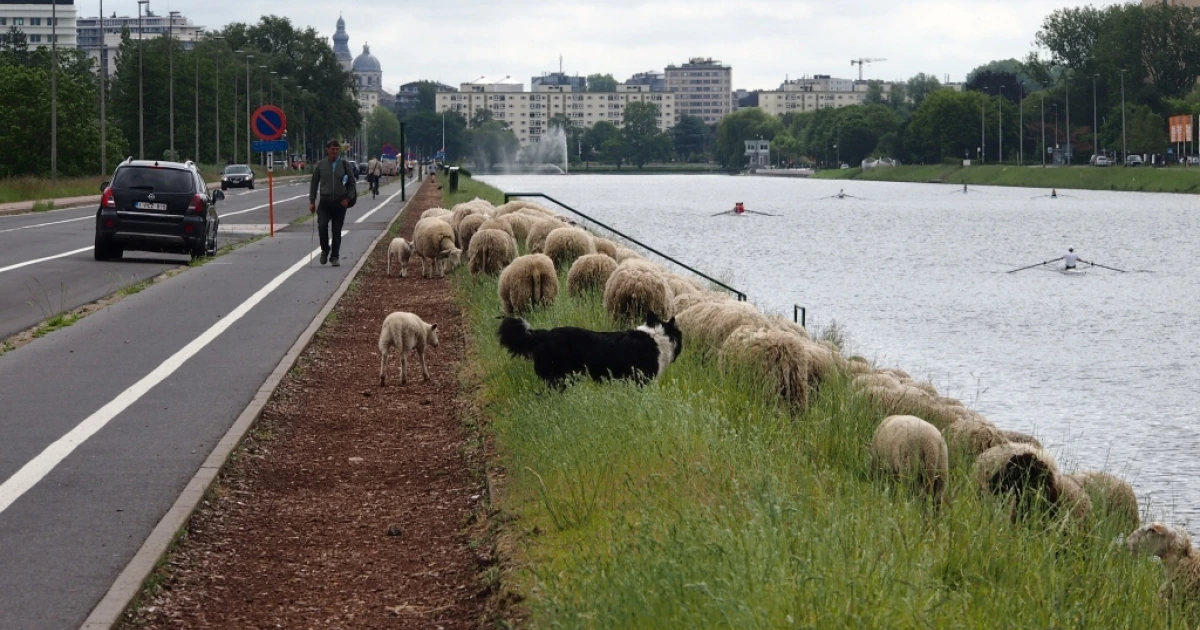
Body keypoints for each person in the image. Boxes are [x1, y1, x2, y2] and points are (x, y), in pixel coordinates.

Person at [309, 139, 355, 267]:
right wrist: (312, 201)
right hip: (325, 202)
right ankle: (325, 249)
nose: (334, 152)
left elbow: (351, 184)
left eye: (336, 149)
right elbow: (314, 183)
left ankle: (335, 256)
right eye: (332, 149)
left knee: (336, 231)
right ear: (327, 150)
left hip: (340, 203)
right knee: (322, 226)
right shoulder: (321, 165)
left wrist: (348, 198)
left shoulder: (344, 164)